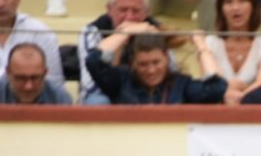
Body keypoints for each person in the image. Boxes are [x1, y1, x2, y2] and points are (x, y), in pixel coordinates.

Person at [78, 0, 164, 105]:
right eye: (123, 10)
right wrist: (122, 36)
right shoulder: (92, 31)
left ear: (147, 12)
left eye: (136, 11)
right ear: (109, 9)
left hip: (144, 95)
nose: (129, 17)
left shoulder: (154, 29)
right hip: (103, 95)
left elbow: (170, 76)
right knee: (97, 101)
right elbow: (91, 85)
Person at [86, 29, 226, 104]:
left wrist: (201, 46)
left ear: (166, 57)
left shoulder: (181, 84)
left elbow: (217, 88)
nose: (151, 70)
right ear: (133, 62)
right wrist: (126, 32)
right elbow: (93, 60)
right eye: (143, 64)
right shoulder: (121, 80)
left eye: (156, 62)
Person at [207, 0, 261, 106]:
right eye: (229, 2)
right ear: (221, 9)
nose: (236, 8)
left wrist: (241, 98)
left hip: (253, 111)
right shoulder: (211, 43)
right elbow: (213, 83)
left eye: (242, 0)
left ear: (253, 7)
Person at [0, 41, 71, 103]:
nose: (28, 86)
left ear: (45, 73)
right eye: (21, 78)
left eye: (35, 78)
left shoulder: (59, 99)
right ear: (8, 73)